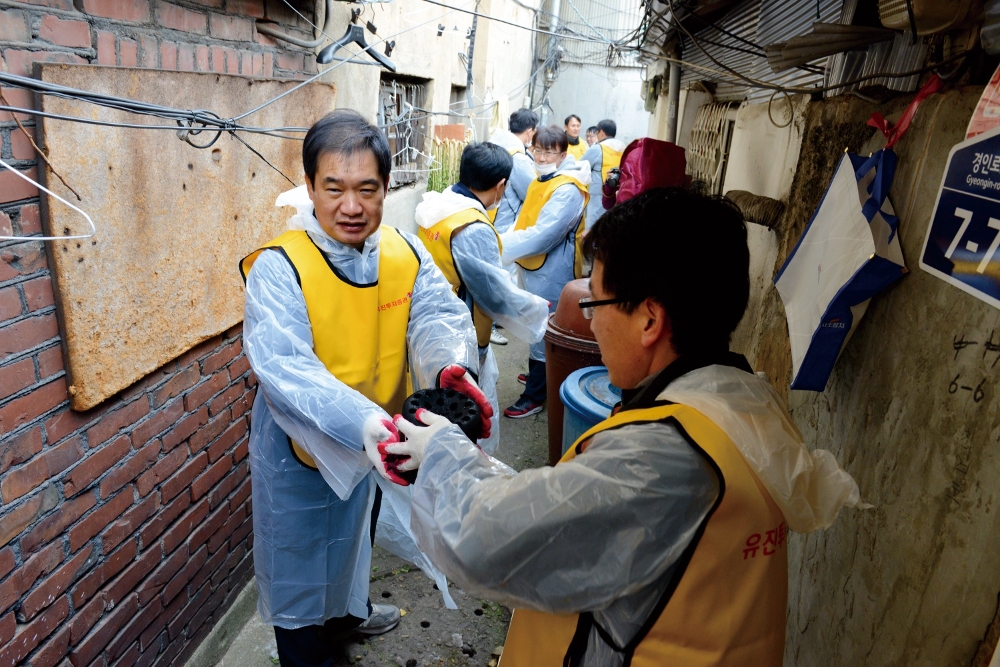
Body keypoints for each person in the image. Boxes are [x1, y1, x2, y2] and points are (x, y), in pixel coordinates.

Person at [392, 187, 865, 667]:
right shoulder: (742, 405)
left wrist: (442, 453)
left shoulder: (663, 456)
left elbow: (484, 541)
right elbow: (581, 514)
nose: (593, 325)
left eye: (596, 304)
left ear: (649, 321)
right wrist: (484, 470)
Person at [240, 109, 491, 667]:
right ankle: (310, 655)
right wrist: (365, 423)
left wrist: (449, 369)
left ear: (386, 187)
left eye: (366, 189)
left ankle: (348, 616)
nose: (351, 206)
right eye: (334, 189)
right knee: (300, 565)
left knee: (355, 538)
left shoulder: (404, 251)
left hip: (378, 440)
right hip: (300, 449)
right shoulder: (280, 267)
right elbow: (287, 368)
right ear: (310, 187)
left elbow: (436, 317)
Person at [413, 142, 550, 453]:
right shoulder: (471, 226)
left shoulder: (438, 206)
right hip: (462, 332)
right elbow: (495, 295)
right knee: (468, 415)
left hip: (432, 322)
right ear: (501, 185)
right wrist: (538, 311)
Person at [499, 125, 590, 418]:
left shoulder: (567, 189)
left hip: (553, 269)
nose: (541, 157)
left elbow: (543, 235)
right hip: (533, 265)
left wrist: (499, 245)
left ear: (563, 155)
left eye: (549, 152)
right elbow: (526, 220)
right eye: (537, 150)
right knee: (534, 323)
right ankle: (540, 374)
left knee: (544, 328)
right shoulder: (542, 180)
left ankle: (535, 395)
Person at [488, 108, 539, 234]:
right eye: (535, 131)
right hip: (503, 224)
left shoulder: (492, 145)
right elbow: (533, 193)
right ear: (529, 132)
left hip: (486, 216)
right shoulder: (517, 158)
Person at [581, 119, 626, 230]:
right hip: (618, 195)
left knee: (594, 228)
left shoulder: (598, 148)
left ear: (601, 132)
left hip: (599, 195)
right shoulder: (624, 148)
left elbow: (581, 167)